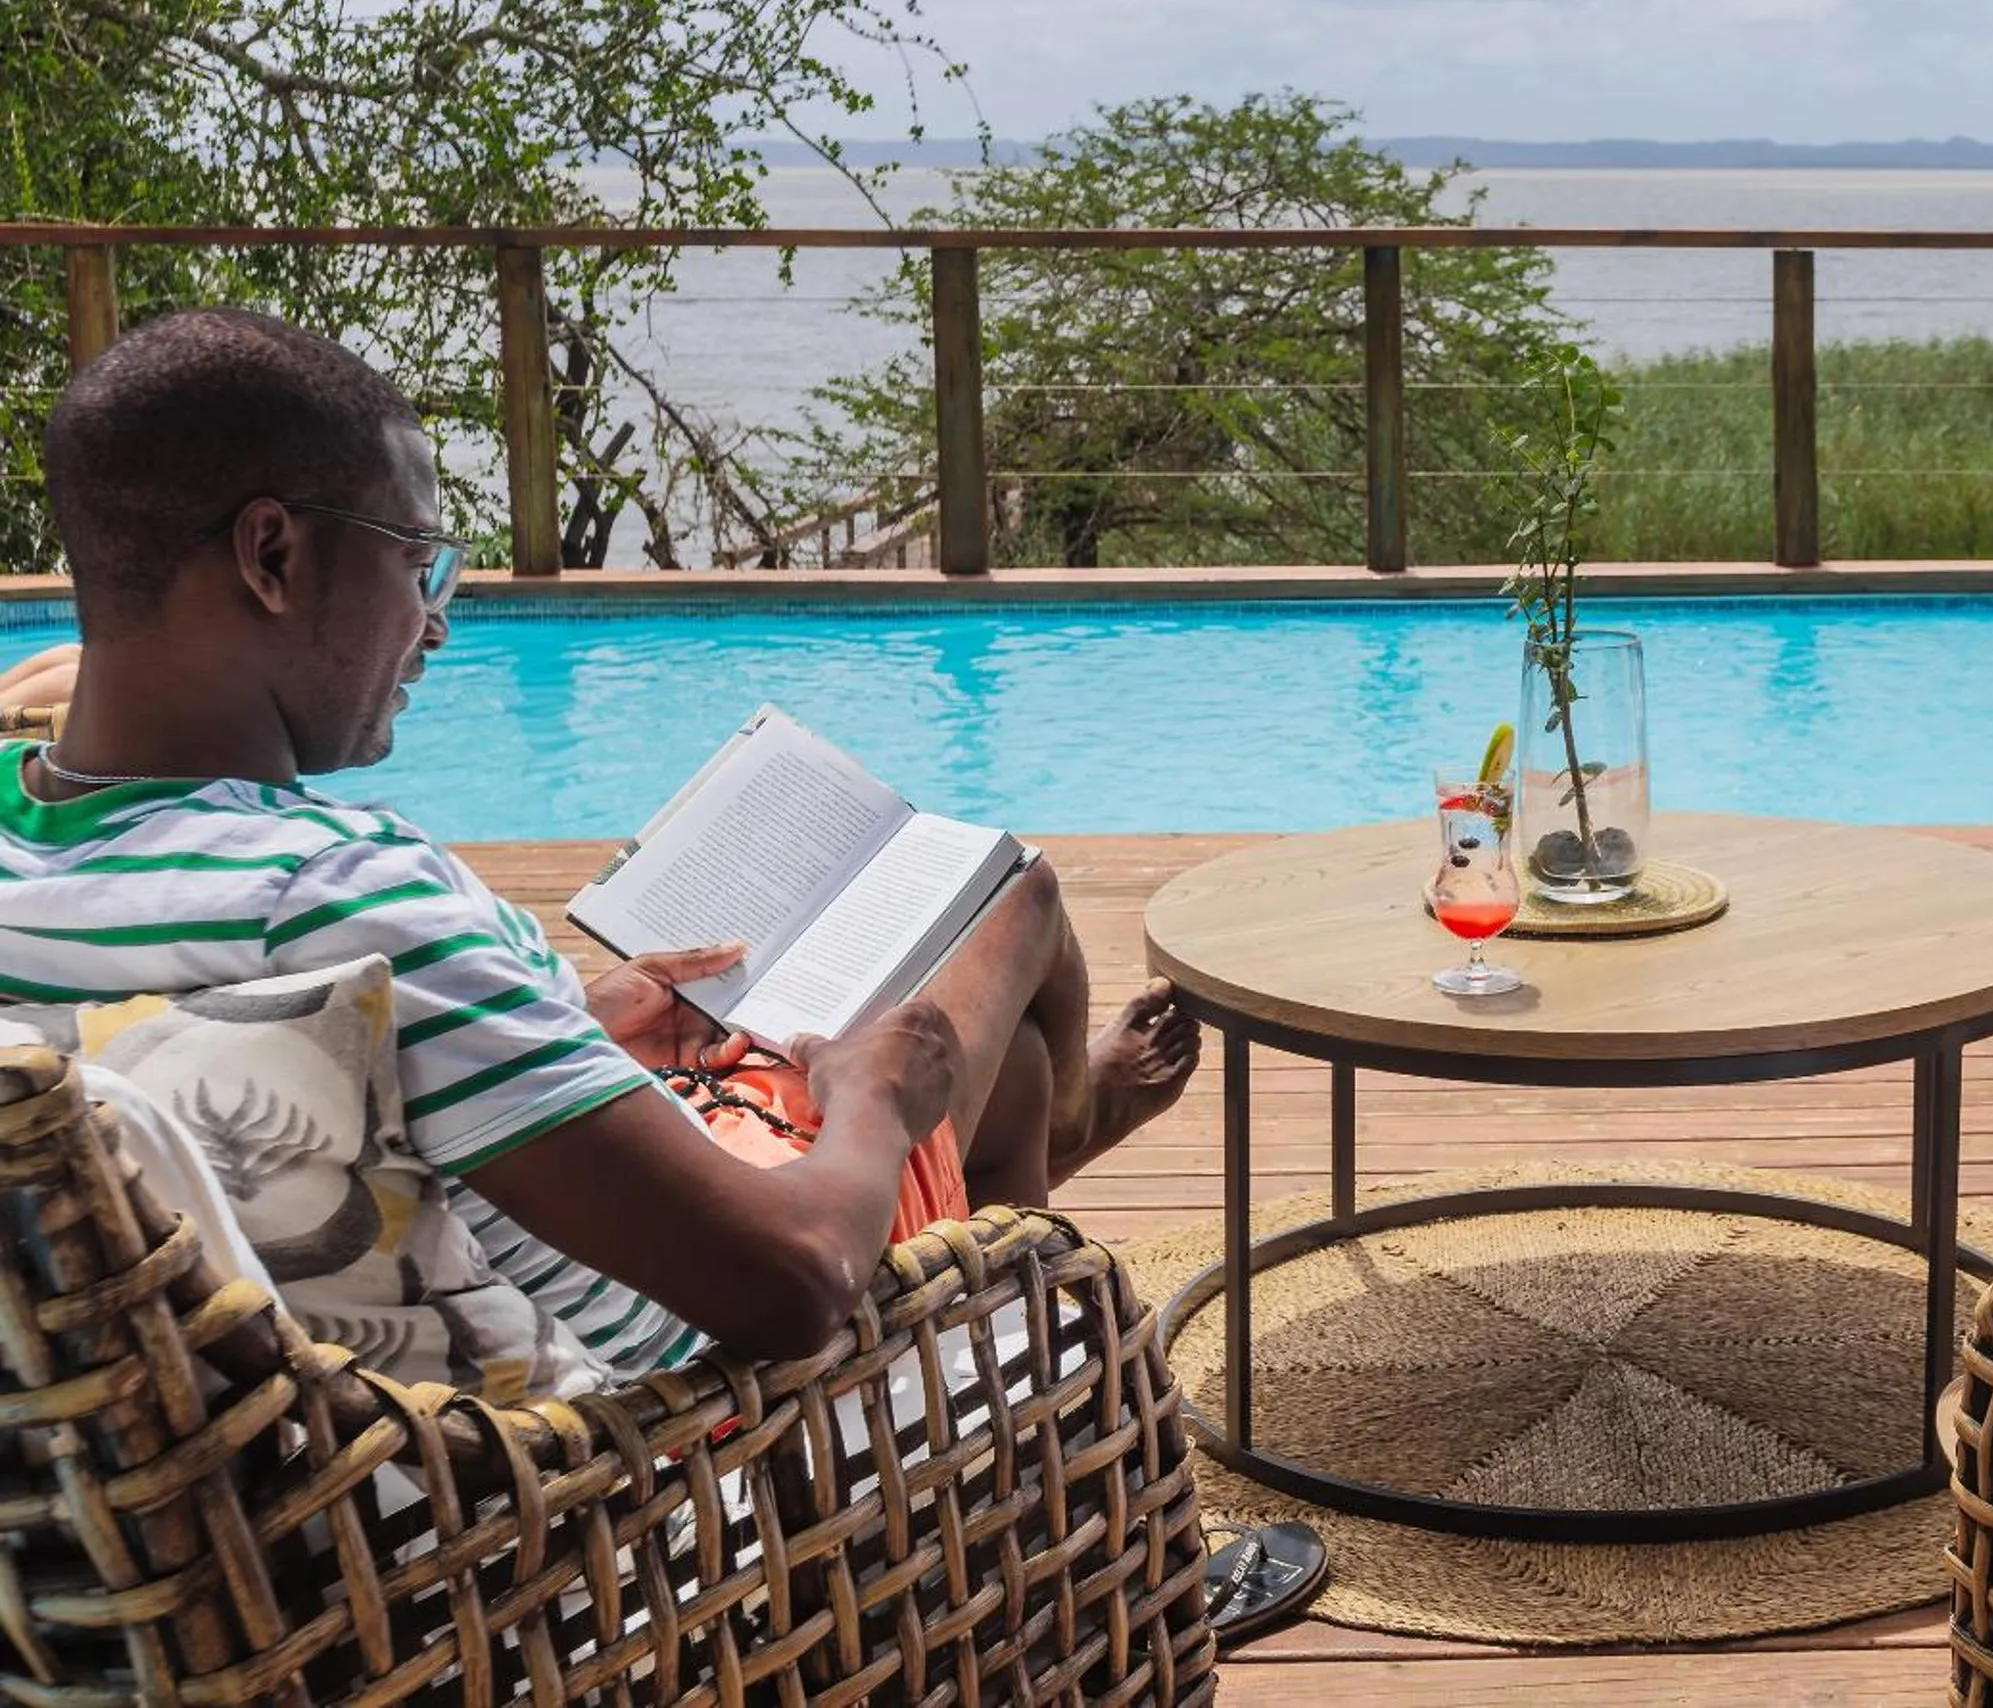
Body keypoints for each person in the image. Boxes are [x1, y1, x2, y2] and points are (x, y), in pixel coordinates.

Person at [0, 307, 1201, 1379]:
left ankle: (1047, 1144)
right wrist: (875, 1104)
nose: (435, 621)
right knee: (1012, 905)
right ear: (273, 557)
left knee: (1012, 1076)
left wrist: (566, 1016)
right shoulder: (345, 897)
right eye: (420, 561)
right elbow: (788, 1285)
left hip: (261, 1459)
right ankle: (1035, 1466)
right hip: (662, 1436)